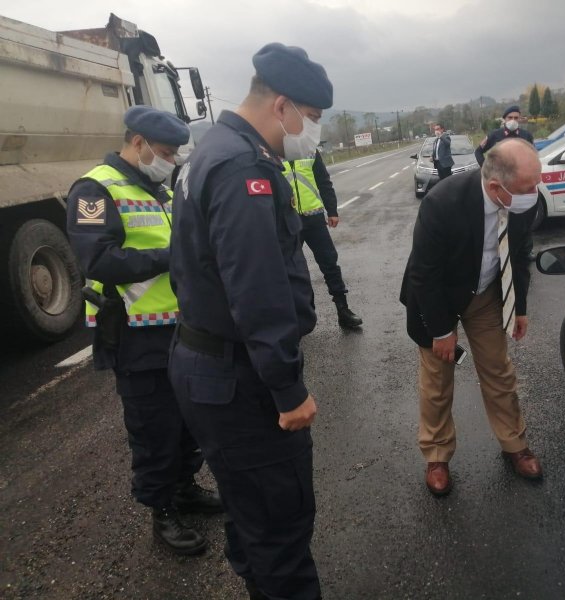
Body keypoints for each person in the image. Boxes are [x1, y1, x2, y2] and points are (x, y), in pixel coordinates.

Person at [168, 43, 332, 600]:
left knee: (249, 510)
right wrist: (288, 389)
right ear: (282, 105)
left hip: (207, 365)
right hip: (240, 380)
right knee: (281, 522)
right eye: (311, 119)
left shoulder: (210, 149)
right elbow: (257, 291)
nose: (312, 132)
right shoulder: (243, 167)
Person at [66, 106, 222, 557]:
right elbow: (98, 260)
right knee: (154, 429)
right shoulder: (95, 189)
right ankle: (162, 513)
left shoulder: (156, 187)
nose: (172, 159)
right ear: (138, 143)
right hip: (135, 334)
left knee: (188, 421)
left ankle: (185, 489)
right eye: (166, 151)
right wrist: (172, 257)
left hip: (180, 326)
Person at [400, 138, 544, 496]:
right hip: (439, 299)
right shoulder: (442, 203)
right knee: (437, 380)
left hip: (484, 295)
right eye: (529, 186)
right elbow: (423, 274)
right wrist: (441, 330)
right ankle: (436, 455)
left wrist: (519, 306)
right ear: (496, 187)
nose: (536, 192)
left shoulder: (524, 201)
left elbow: (521, 252)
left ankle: (515, 444)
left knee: (498, 370)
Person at [283, 149, 363, 328]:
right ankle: (302, 314)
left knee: (330, 264)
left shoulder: (309, 150)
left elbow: (323, 181)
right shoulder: (272, 150)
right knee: (294, 270)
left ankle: (343, 310)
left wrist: (332, 210)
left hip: (314, 218)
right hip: (288, 221)